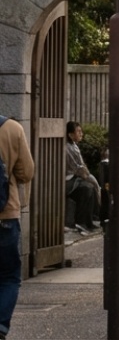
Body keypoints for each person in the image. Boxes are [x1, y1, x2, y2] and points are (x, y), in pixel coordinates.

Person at [0, 109, 33, 340]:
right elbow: (26, 172)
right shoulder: (12, 128)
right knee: (9, 276)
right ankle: (0, 326)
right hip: (5, 214)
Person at [64, 121, 100, 234]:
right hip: (67, 180)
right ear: (70, 134)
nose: (81, 134)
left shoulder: (73, 145)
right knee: (87, 188)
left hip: (74, 177)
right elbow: (78, 168)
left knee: (91, 188)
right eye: (78, 132)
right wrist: (87, 176)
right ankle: (80, 222)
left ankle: (89, 221)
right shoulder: (67, 148)